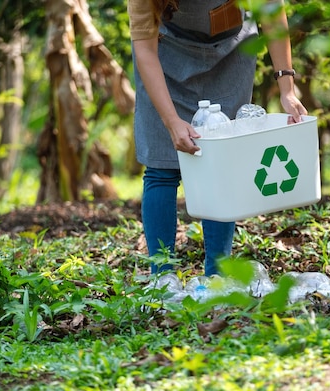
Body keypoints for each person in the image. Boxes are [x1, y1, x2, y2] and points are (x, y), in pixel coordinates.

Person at [128, 0, 308, 277]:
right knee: (162, 166)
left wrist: (287, 89)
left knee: (222, 161)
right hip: (165, 53)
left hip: (232, 51)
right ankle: (162, 277)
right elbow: (145, 51)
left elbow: (272, 12)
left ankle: (218, 274)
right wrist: (171, 120)